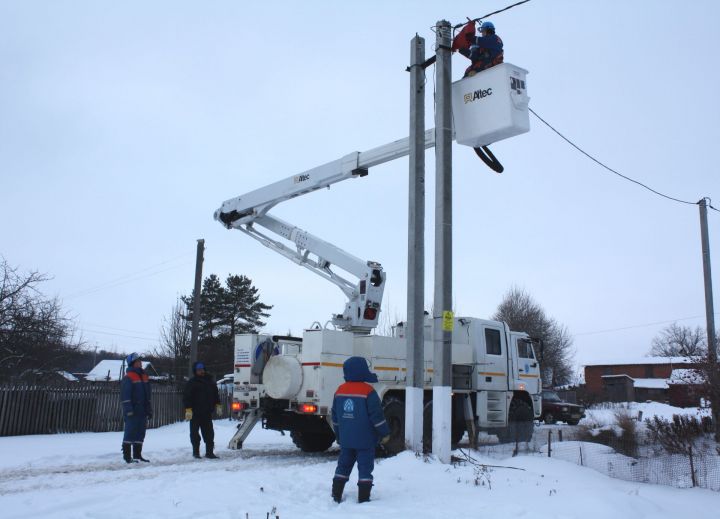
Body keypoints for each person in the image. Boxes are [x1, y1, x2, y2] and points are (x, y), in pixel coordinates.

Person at [330, 356, 390, 504]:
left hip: (347, 440)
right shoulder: (369, 392)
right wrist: (384, 433)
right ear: (362, 371)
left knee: (343, 466)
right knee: (365, 468)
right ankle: (363, 498)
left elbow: (335, 418)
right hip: (366, 441)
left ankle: (336, 495)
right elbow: (377, 417)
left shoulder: (339, 391)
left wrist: (339, 436)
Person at [183, 361, 222, 459]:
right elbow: (187, 397)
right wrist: (188, 409)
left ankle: (209, 453)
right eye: (199, 370)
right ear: (195, 371)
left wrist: (218, 405)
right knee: (195, 434)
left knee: (209, 434)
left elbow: (215, 395)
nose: (201, 371)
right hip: (195, 413)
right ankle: (196, 453)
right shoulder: (192, 383)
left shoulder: (210, 382)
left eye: (202, 369)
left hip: (207, 412)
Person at [120, 352, 152, 463]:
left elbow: (148, 395)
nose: (140, 363)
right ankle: (127, 456)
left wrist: (149, 409)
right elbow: (125, 396)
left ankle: (137, 455)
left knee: (140, 433)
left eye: (140, 361)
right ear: (133, 363)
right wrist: (128, 410)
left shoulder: (144, 376)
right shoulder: (128, 377)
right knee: (130, 432)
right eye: (138, 361)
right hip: (132, 411)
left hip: (142, 411)